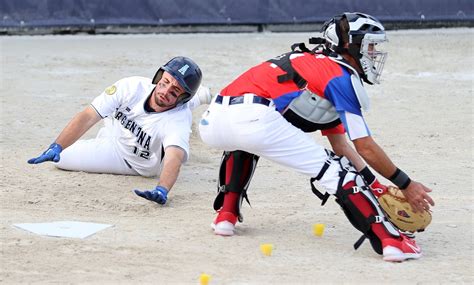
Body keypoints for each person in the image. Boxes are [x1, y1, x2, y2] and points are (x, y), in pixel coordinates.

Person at [199, 12, 435, 262]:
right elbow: (364, 146)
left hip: (214, 120)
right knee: (337, 172)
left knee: (243, 141)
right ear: (349, 45)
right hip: (254, 117)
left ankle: (226, 217)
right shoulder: (339, 75)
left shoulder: (312, 64)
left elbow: (339, 143)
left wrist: (374, 184)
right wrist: (406, 184)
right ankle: (391, 242)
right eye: (370, 45)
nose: (374, 52)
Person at [28, 56, 211, 205]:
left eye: (175, 90)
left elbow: (174, 158)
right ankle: (199, 97)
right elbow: (89, 116)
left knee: (63, 160)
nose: (165, 91)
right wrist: (56, 146)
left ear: (183, 96)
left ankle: (194, 100)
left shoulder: (177, 121)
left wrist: (162, 189)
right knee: (62, 152)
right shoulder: (131, 87)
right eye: (165, 82)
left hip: (131, 160)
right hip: (115, 129)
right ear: (159, 76)